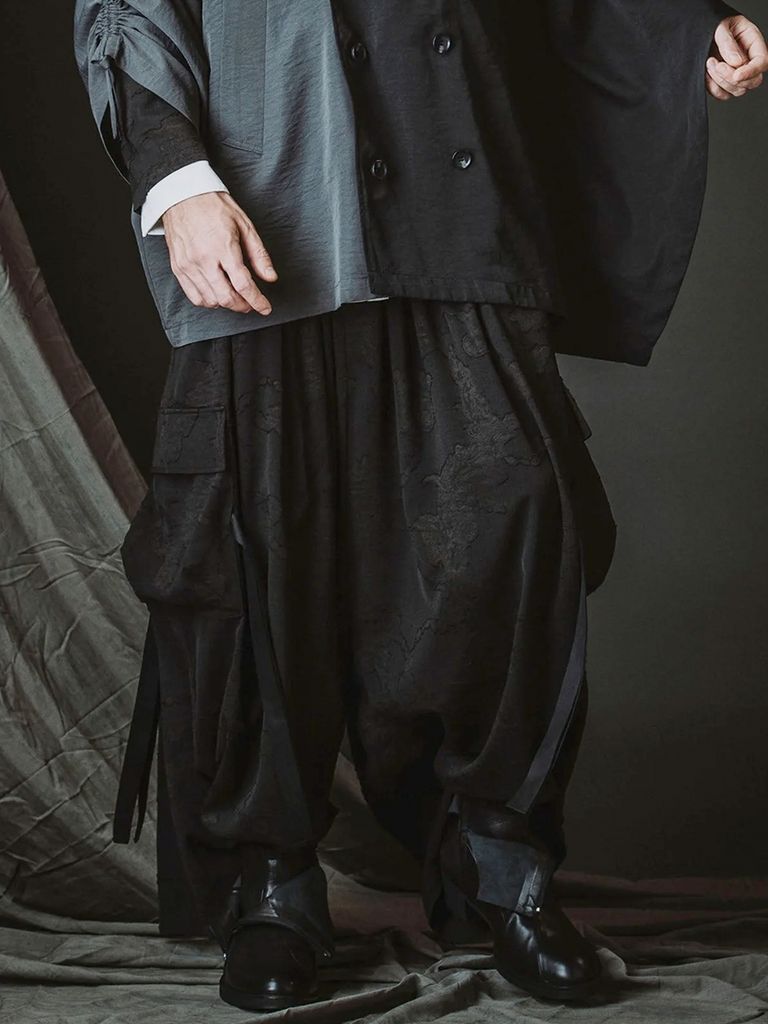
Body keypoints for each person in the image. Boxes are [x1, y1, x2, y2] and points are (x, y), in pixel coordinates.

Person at [74, 0, 767, 1012]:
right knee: (257, 560)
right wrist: (178, 180)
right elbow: (131, 9)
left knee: (511, 532)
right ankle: (274, 884)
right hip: (275, 191)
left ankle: (499, 873)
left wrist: (683, 24)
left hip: (459, 192)